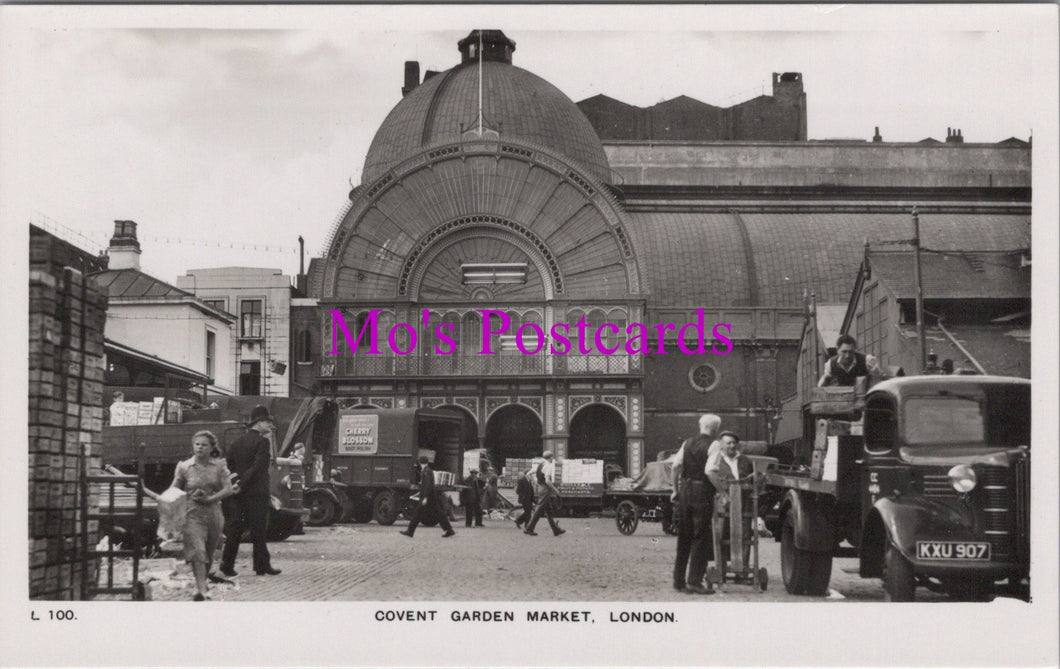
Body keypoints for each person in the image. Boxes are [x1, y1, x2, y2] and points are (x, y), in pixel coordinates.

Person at [170, 430, 236, 600]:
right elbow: (174, 488)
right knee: (197, 551)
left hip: (214, 513)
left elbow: (228, 489)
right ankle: (200, 590)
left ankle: (202, 582)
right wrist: (167, 498)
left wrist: (210, 499)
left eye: (204, 445)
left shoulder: (219, 466)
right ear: (193, 446)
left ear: (211, 447)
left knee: (208, 552)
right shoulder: (184, 466)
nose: (199, 447)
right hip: (192, 513)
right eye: (197, 444)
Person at [220, 405, 281, 577]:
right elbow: (258, 466)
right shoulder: (263, 442)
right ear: (259, 423)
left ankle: (227, 565)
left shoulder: (237, 442)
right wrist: (244, 482)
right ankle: (261, 566)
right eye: (267, 422)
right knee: (259, 530)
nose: (269, 426)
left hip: (239, 494)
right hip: (257, 493)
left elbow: (229, 464)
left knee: (235, 529)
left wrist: (237, 481)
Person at [671, 414, 720, 595]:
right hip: (702, 493)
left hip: (685, 491)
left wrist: (675, 490)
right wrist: (721, 490)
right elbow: (710, 471)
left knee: (684, 535)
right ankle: (694, 581)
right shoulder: (714, 444)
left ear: (700, 426)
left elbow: (676, 467)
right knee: (700, 537)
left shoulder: (687, 443)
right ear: (715, 428)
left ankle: (678, 581)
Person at [706, 431, 755, 569]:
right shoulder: (716, 460)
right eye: (728, 443)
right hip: (723, 501)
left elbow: (750, 480)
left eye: (734, 443)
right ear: (721, 445)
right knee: (721, 533)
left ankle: (742, 567)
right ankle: (720, 567)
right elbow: (710, 478)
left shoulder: (745, 460)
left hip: (743, 502)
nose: (732, 446)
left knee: (744, 535)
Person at [400, 456, 456, 538]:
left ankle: (410, 531)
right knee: (439, 514)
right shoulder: (428, 471)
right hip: (431, 496)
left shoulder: (426, 472)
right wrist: (420, 493)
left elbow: (428, 485)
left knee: (418, 513)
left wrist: (425, 497)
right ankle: (449, 530)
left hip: (429, 497)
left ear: (420, 463)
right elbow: (426, 485)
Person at [524, 451, 565, 537]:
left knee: (548, 510)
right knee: (539, 509)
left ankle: (556, 530)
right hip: (545, 489)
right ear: (550, 457)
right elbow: (547, 481)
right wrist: (555, 490)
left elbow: (528, 474)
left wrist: (535, 482)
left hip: (540, 488)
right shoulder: (548, 466)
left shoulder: (540, 465)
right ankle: (529, 528)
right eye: (552, 457)